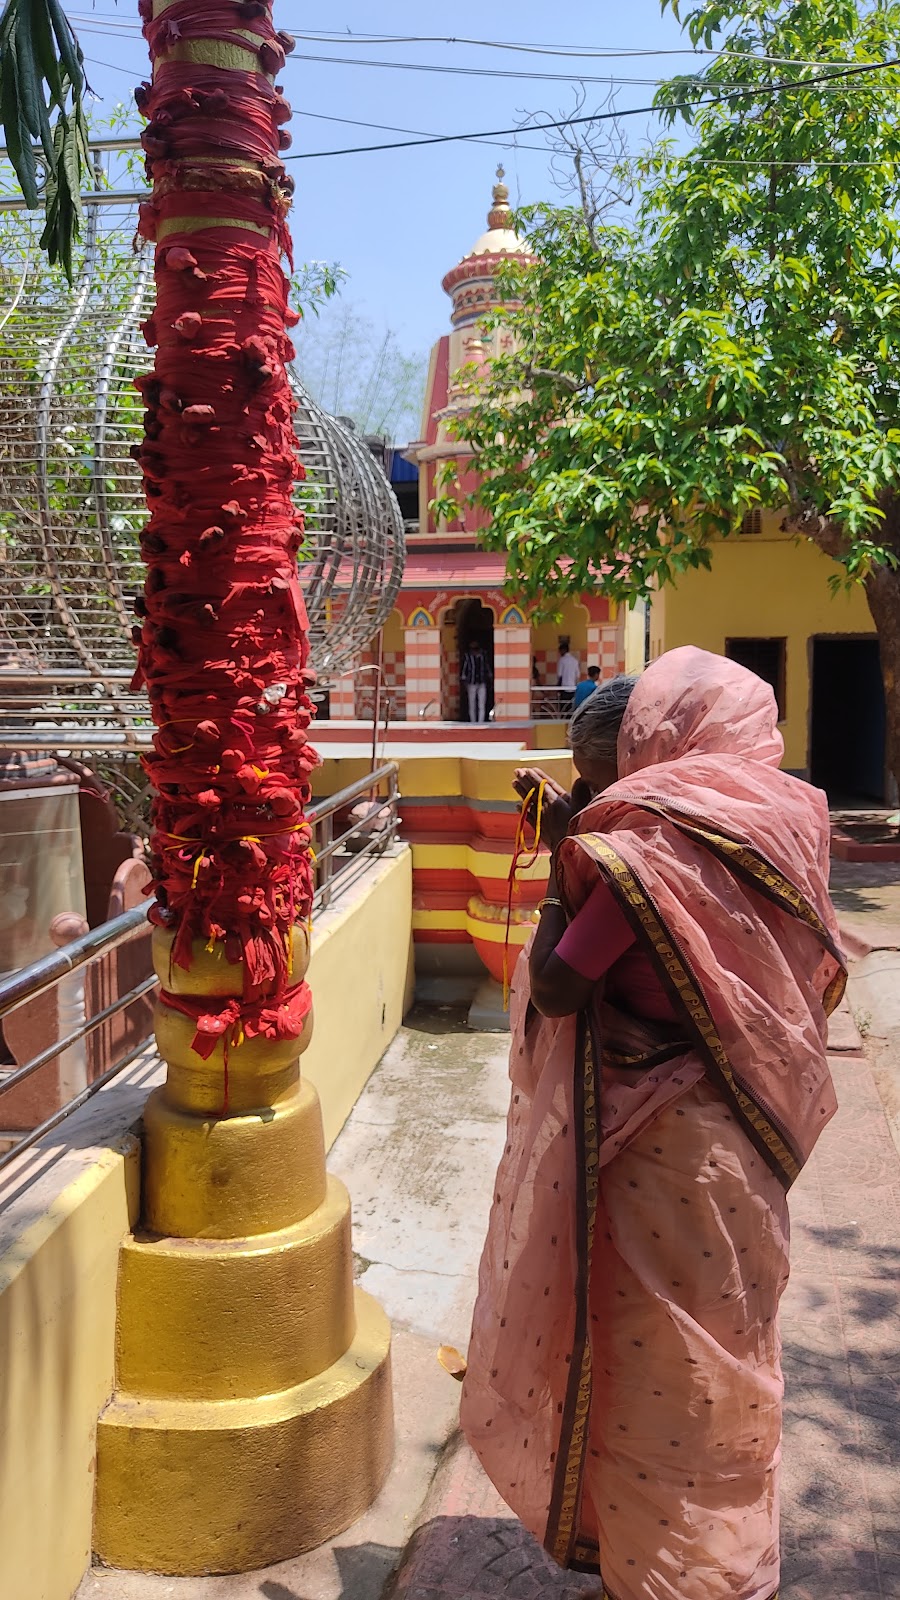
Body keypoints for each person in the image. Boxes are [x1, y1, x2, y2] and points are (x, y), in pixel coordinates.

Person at [461, 647, 846, 1600]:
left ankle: (670, 1576)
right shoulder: (781, 820)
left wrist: (568, 865)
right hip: (741, 1140)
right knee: (729, 1358)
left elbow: (557, 986)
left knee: (661, 1372)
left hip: (658, 1152)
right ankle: (725, 1561)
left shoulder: (642, 855)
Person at [461, 639, 492, 723]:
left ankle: (480, 722)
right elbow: (464, 670)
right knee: (472, 704)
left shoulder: (483, 656)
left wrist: (489, 678)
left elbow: (487, 668)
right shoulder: (468, 656)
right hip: (471, 683)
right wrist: (465, 683)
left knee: (481, 704)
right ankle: (473, 722)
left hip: (482, 682)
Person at [556, 640, 580, 715]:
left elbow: (560, 675)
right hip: (573, 688)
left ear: (564, 650)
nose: (559, 653)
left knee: (563, 708)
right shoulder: (575, 660)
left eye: (560, 651)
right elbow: (578, 676)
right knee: (571, 708)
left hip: (564, 688)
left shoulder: (562, 660)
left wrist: (558, 688)